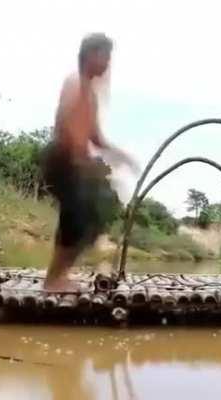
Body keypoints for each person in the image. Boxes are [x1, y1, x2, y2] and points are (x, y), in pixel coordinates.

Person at [42, 33, 138, 292]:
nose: (108, 63)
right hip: (62, 159)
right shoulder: (75, 83)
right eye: (105, 56)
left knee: (91, 218)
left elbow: (95, 136)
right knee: (77, 218)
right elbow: (64, 124)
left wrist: (121, 155)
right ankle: (54, 280)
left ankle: (58, 275)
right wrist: (78, 158)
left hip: (76, 162)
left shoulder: (91, 92)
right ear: (91, 55)